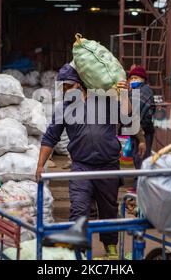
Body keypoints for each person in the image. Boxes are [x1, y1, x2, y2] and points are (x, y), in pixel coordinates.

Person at [36, 63, 145, 259]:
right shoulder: (64, 109)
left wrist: (123, 94)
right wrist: (39, 165)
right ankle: (79, 252)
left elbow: (128, 116)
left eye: (69, 86)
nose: (65, 90)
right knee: (78, 209)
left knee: (109, 210)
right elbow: (50, 137)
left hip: (108, 167)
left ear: (80, 84)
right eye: (63, 87)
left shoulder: (104, 100)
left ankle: (111, 246)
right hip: (81, 168)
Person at [128, 65, 155, 191]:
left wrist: (142, 132)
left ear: (143, 79)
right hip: (135, 131)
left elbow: (148, 114)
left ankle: (140, 187)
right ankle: (140, 185)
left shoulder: (146, 91)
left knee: (141, 158)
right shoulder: (132, 92)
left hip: (144, 131)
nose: (133, 80)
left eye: (136, 77)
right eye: (131, 78)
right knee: (136, 157)